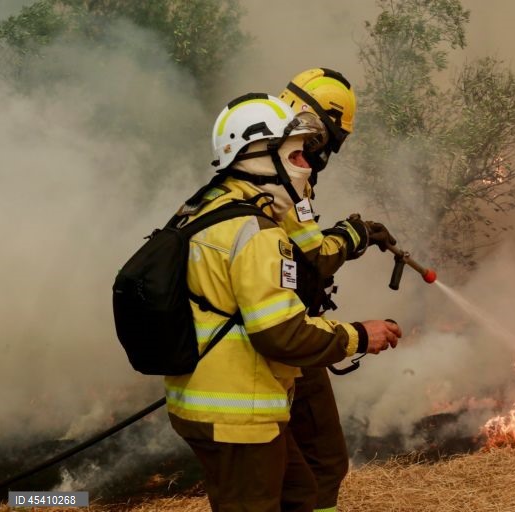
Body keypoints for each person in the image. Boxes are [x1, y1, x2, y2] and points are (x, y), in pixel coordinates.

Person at [164, 92, 402, 512]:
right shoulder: (255, 231)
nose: (308, 166)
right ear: (259, 156)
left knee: (300, 491)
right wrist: (360, 336)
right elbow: (281, 333)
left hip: (218, 406)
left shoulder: (208, 207)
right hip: (237, 415)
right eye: (296, 156)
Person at [277, 68, 397, 512]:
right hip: (284, 336)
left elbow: (296, 243)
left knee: (299, 468)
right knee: (324, 461)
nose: (320, 155)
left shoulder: (260, 160)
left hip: (276, 332)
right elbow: (316, 255)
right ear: (314, 122)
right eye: (325, 141)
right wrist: (356, 234)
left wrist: (351, 234)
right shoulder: (284, 171)